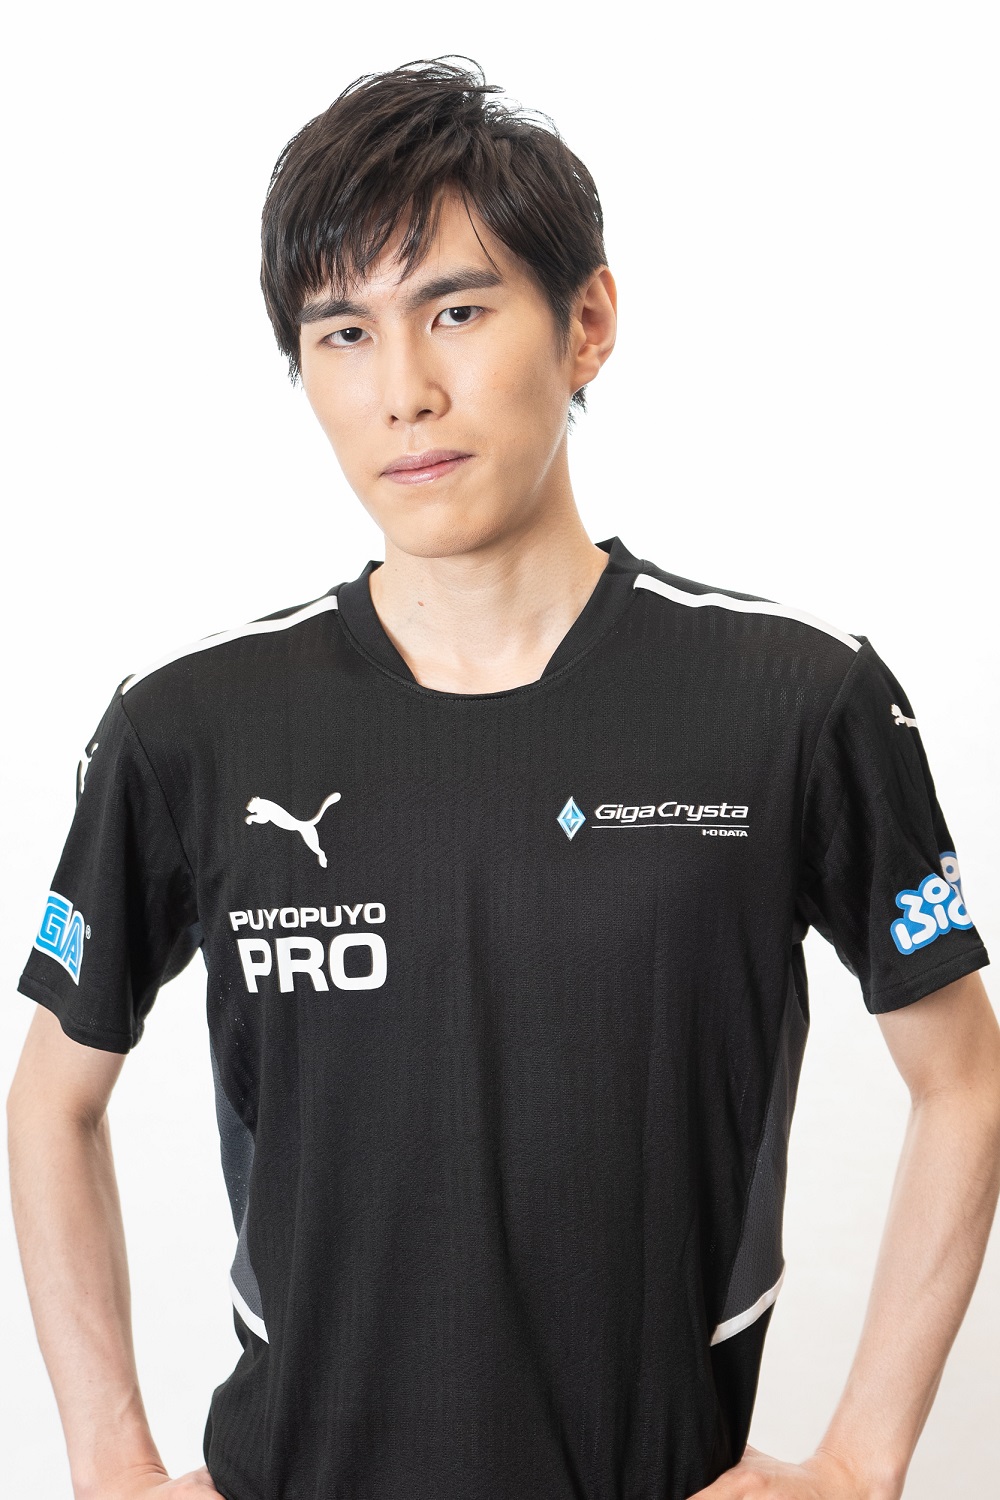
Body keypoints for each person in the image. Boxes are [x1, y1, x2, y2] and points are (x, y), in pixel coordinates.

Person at [7, 54, 999, 1500]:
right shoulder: (190, 729)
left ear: (587, 323)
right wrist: (109, 1465)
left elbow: (963, 1077)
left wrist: (858, 1465)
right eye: (343, 333)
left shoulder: (796, 699)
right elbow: (51, 1098)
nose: (403, 392)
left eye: (456, 312)